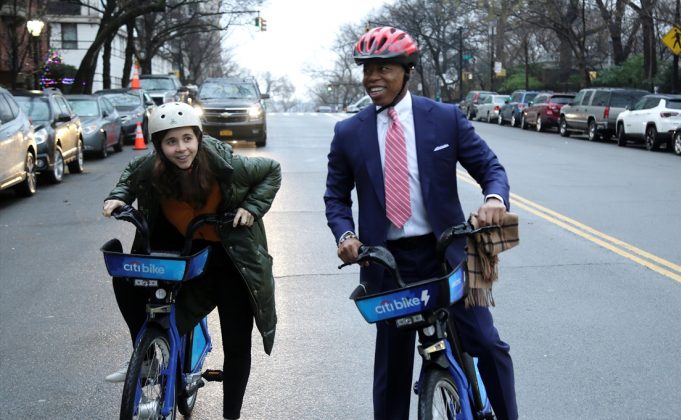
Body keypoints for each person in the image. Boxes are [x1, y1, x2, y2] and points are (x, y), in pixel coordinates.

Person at [324, 27, 518, 420]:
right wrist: (346, 234)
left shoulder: (444, 118)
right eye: (366, 70)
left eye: (383, 68)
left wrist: (494, 199)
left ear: (406, 70)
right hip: (388, 264)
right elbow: (336, 197)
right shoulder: (349, 133)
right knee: (392, 371)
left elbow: (489, 168)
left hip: (448, 255)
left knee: (488, 344)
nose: (372, 78)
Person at [102, 101, 281, 420]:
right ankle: (147, 357)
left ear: (198, 138)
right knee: (133, 286)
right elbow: (130, 175)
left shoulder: (225, 165)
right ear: (158, 146)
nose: (181, 148)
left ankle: (231, 415)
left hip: (231, 259)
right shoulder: (152, 166)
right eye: (171, 142)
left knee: (237, 342)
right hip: (185, 254)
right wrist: (118, 196)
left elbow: (271, 171)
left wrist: (251, 208)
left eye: (187, 139)